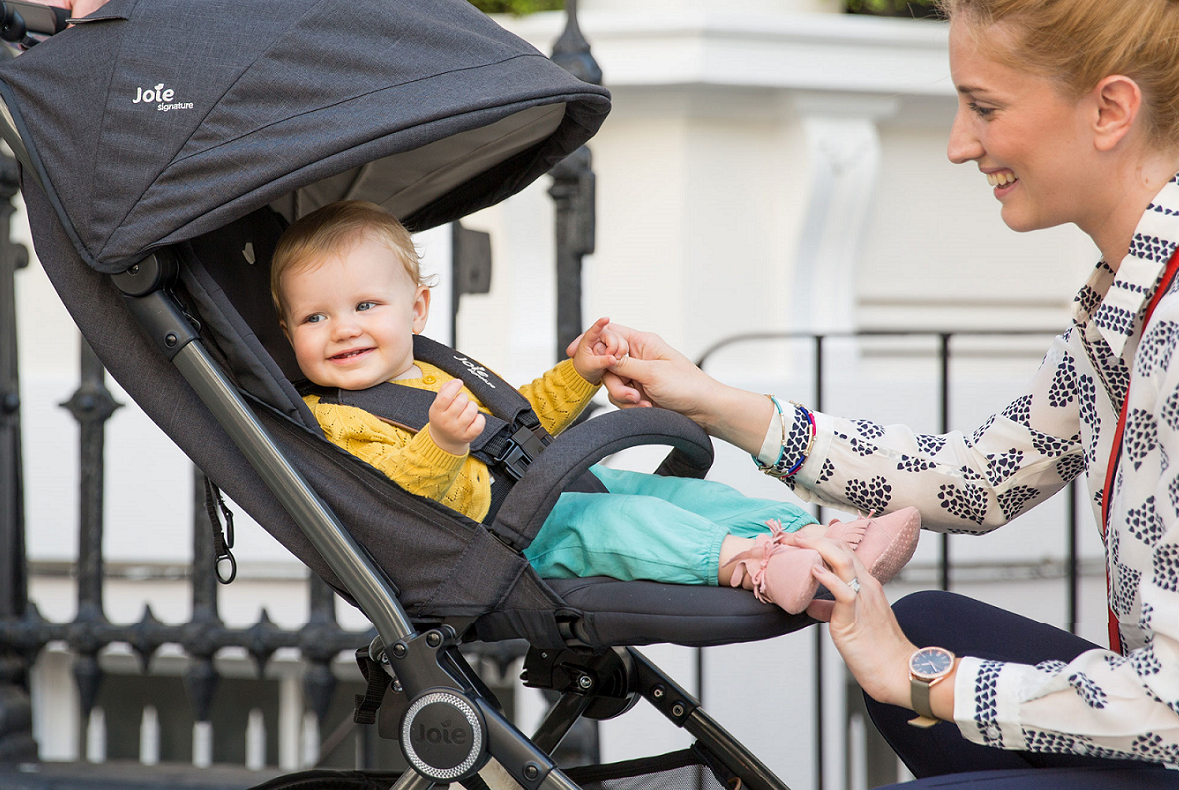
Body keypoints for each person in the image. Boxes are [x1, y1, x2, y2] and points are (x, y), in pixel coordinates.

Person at [598, 0, 1179, 784]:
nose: (957, 144)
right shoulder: (1124, 298)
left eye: (984, 107)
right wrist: (709, 401)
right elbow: (979, 480)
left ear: (1109, 109)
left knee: (914, 652)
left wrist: (923, 679)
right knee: (925, 621)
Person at [269, 200, 920, 615]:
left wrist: (579, 372)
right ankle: (755, 564)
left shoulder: (437, 369)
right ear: (287, 330)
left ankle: (815, 540)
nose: (342, 330)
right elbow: (391, 498)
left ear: (415, 309)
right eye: (315, 317)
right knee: (626, 526)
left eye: (364, 306)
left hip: (549, 485)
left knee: (679, 500)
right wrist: (440, 443)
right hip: (503, 538)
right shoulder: (334, 417)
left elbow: (516, 423)